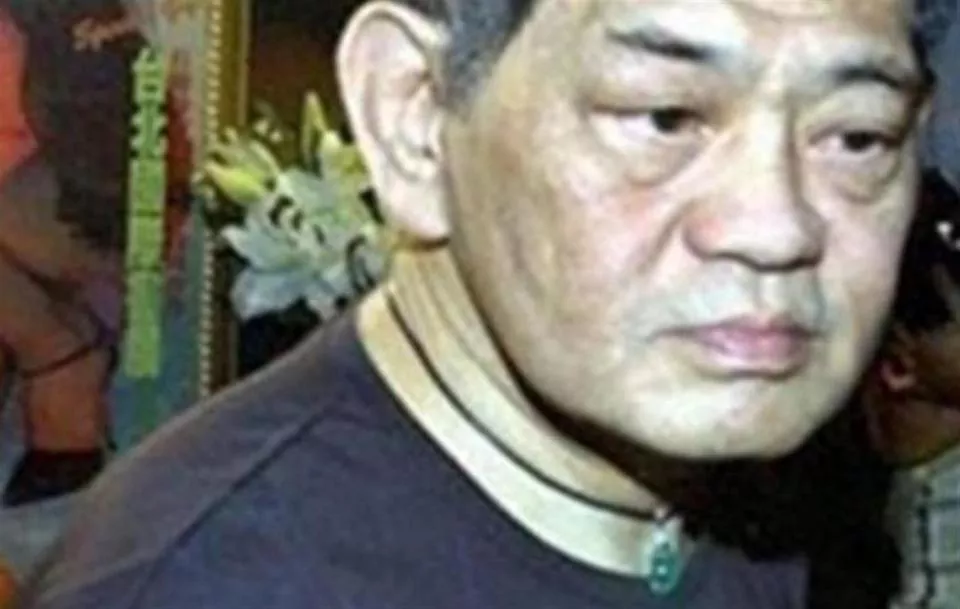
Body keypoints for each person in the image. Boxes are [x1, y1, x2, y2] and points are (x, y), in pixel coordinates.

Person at [21, 0, 932, 607]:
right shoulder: (208, 582)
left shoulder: (768, 482)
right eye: (665, 116)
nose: (778, 227)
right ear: (414, 119)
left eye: (858, 137)